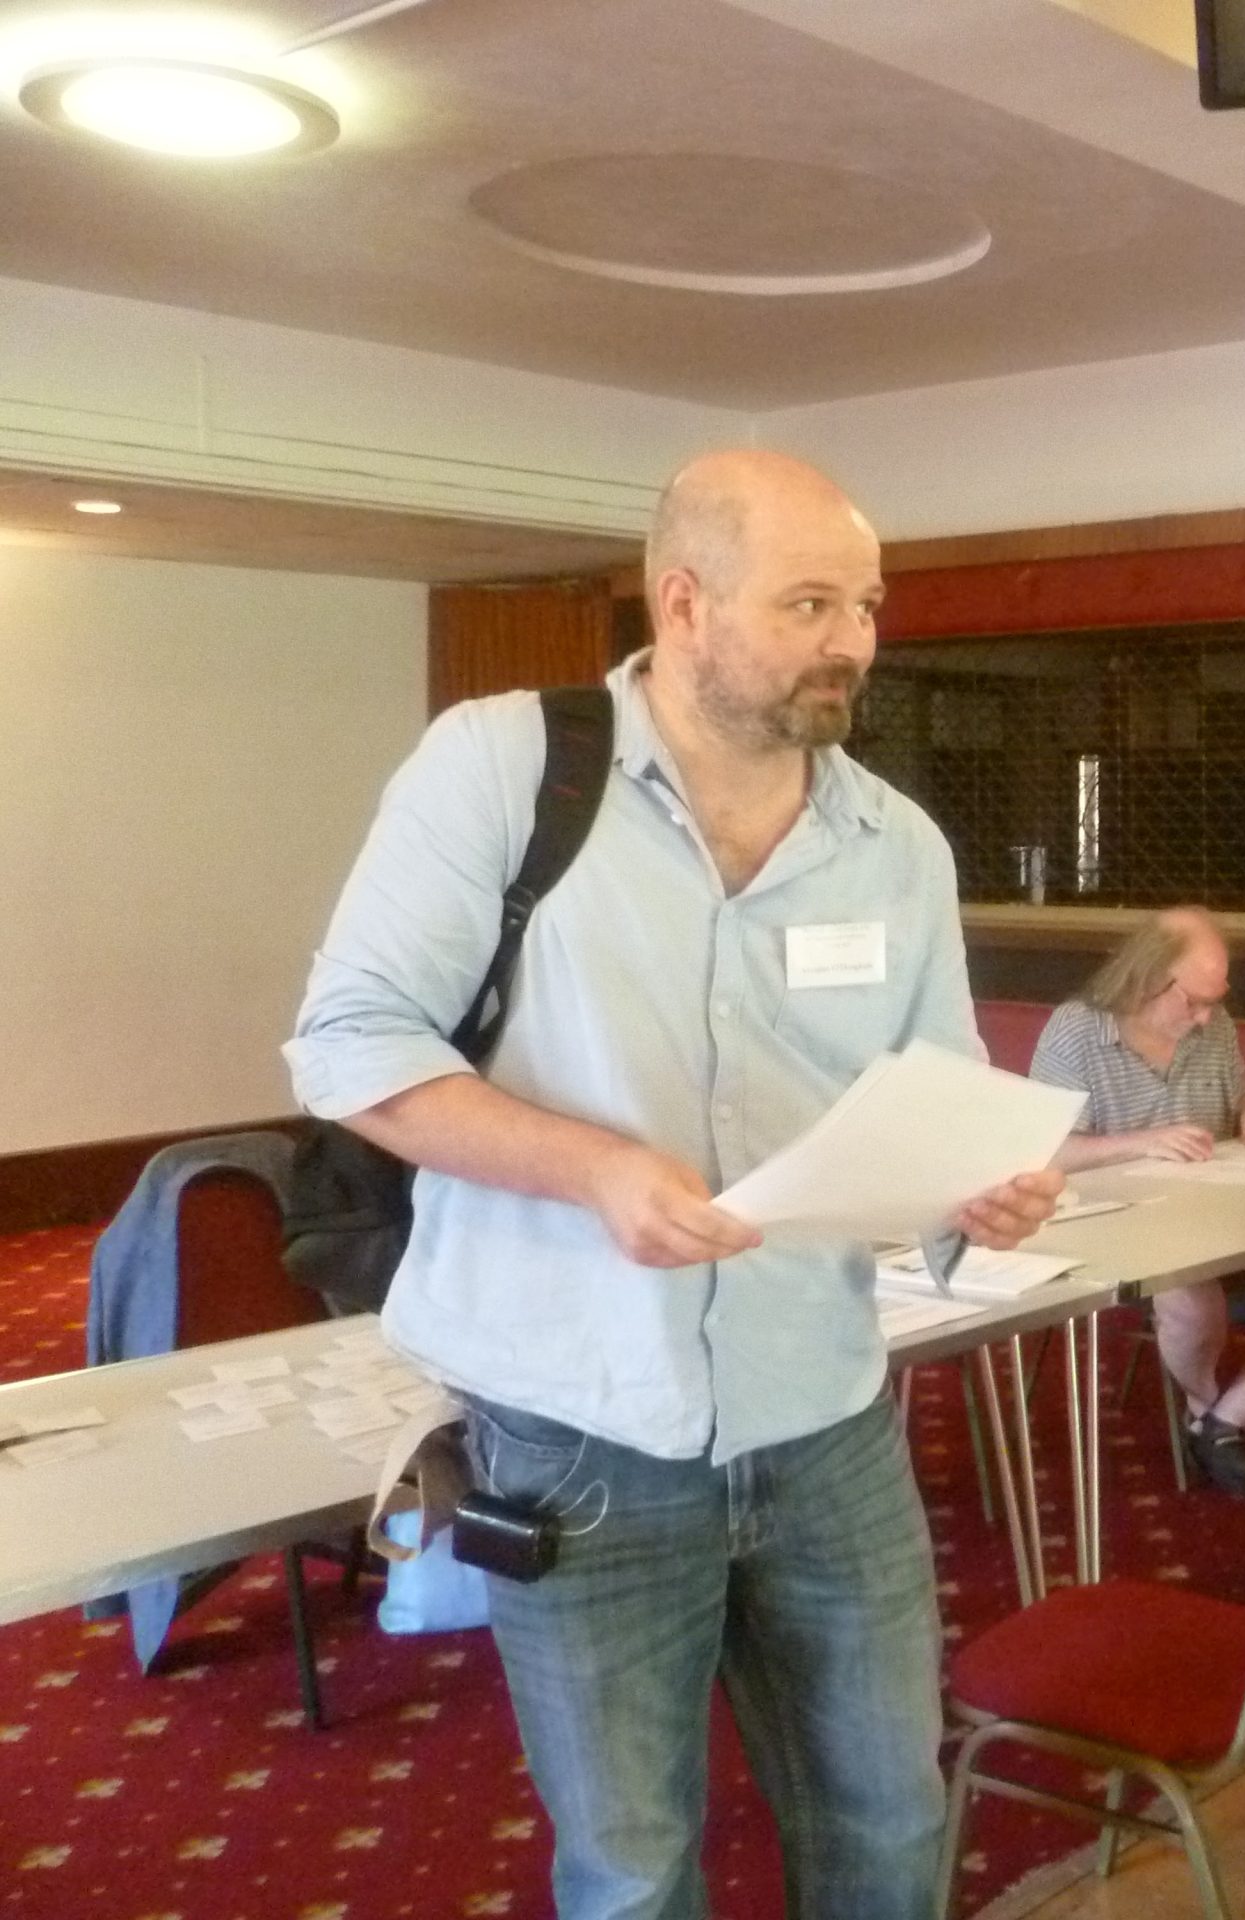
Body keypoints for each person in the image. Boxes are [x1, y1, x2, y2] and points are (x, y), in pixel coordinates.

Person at [286, 448, 1061, 1920]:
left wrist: (975, 1190)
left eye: (868, 605)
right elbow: (348, 1046)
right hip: (582, 1429)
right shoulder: (503, 769)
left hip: (826, 1421)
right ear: (685, 603)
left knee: (890, 1821)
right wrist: (595, 1170)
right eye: (812, 603)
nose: (854, 640)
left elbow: (942, 1092)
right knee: (634, 1871)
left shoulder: (894, 847)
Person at [1028, 907, 1245, 1497]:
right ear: (1147, 977)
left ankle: (1226, 1420)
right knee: (1189, 1294)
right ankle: (1205, 1410)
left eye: (1215, 1001)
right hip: (1129, 1230)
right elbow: (1047, 1152)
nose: (1206, 1017)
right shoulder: (1077, 1031)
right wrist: (1143, 1142)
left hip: (1225, 1216)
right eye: (1193, 1002)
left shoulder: (1213, 1027)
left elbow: (1242, 1095)